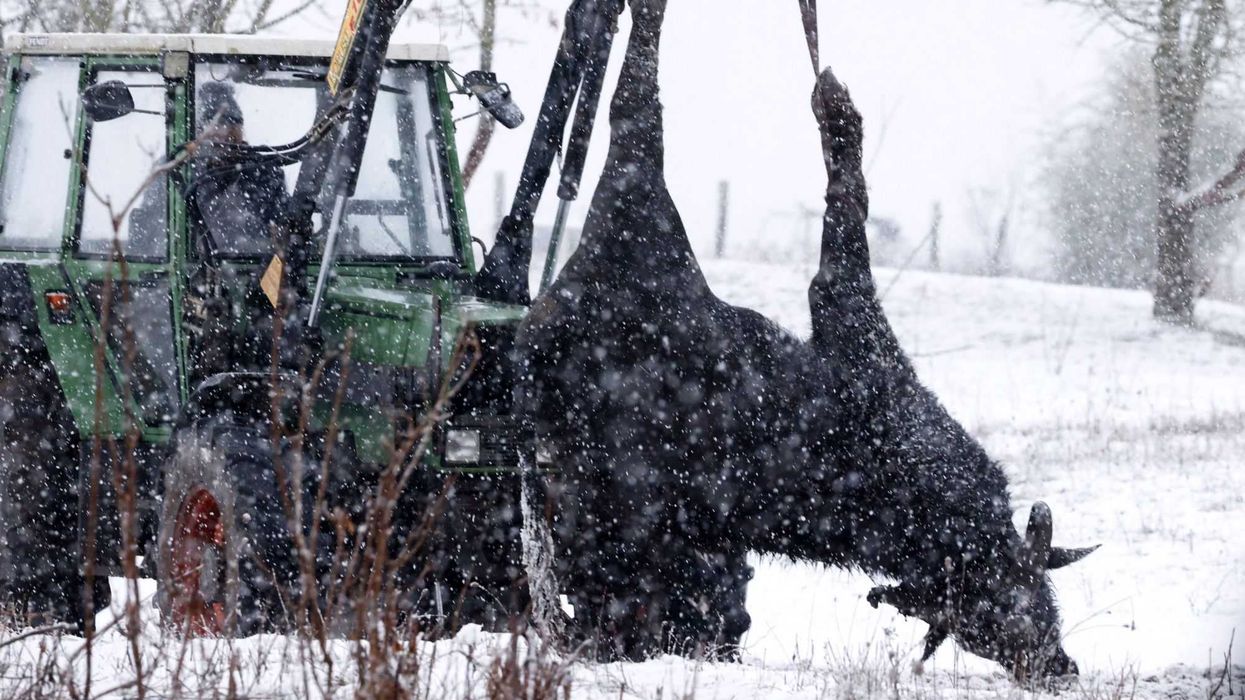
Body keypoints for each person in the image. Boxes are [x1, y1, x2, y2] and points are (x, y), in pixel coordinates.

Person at [191, 81, 289, 256]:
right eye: (217, 126)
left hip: (254, 263)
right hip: (197, 265)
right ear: (200, 132)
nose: (224, 134)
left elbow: (282, 230)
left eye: (232, 126)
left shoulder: (264, 170)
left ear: (240, 131)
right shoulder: (183, 171)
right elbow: (154, 226)